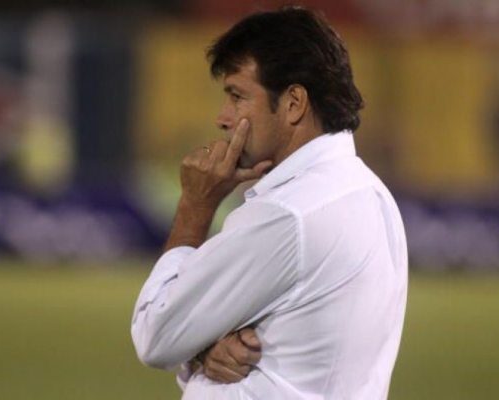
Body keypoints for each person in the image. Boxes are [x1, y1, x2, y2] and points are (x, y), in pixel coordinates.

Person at [131, 6, 408, 399]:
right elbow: (298, 339)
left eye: (237, 96)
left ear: (294, 103)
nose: (223, 118)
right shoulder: (372, 194)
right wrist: (203, 349)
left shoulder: (288, 214)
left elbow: (156, 332)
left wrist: (195, 206)